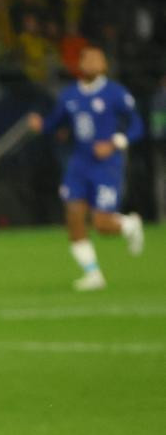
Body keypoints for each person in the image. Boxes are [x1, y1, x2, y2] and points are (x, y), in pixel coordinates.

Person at [26, 45, 144, 291]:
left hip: (107, 165)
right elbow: (54, 124)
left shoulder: (115, 93)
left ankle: (130, 224)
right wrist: (41, 125)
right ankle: (93, 275)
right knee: (74, 218)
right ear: (80, 65)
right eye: (87, 59)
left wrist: (115, 143)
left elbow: (137, 125)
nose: (91, 64)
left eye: (97, 60)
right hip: (79, 164)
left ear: (104, 66)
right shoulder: (70, 96)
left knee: (102, 224)